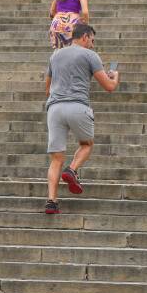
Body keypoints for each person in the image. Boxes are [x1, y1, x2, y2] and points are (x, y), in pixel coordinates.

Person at [44, 23, 120, 214]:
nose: (93, 45)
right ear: (85, 37)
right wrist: (115, 77)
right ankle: (72, 170)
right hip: (78, 106)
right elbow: (109, 87)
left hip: (55, 108)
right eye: (92, 40)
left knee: (56, 159)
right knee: (86, 144)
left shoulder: (55, 55)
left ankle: (51, 201)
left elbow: (47, 87)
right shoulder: (90, 55)